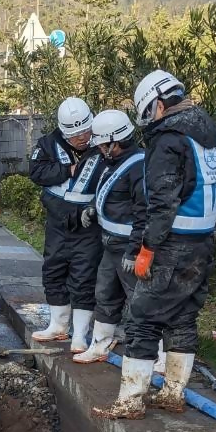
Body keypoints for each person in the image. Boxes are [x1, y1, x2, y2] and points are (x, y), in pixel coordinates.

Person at [93, 71, 216, 419]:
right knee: (183, 317)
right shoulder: (212, 136)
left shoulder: (170, 139)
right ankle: (173, 393)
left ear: (156, 105)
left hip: (171, 243)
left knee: (141, 318)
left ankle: (131, 400)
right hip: (203, 243)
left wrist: (147, 248)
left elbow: (162, 201)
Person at [29, 96, 103, 353]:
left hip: (88, 225)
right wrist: (68, 170)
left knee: (84, 276)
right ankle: (58, 325)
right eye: (76, 136)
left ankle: (80, 334)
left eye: (85, 133)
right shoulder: (48, 144)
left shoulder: (102, 145)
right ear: (63, 132)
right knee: (53, 270)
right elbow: (36, 173)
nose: (82, 139)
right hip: (58, 222)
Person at [73, 109, 145, 364]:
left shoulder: (139, 167)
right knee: (104, 294)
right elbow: (108, 193)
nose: (101, 148)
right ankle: (100, 345)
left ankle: (150, 355)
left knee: (140, 302)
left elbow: (144, 212)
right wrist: (93, 207)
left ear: (116, 141)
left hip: (127, 248)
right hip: (110, 244)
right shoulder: (114, 164)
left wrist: (135, 250)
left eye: (103, 144)